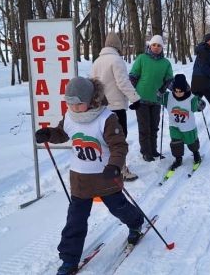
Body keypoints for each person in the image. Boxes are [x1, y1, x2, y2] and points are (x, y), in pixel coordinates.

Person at [34, 77, 144, 275]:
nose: (74, 108)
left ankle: (136, 223)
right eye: (71, 104)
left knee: (119, 207)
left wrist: (115, 165)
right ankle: (69, 259)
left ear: (91, 100)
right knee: (75, 220)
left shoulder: (106, 118)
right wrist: (48, 134)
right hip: (80, 180)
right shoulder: (69, 117)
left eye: (79, 104)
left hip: (105, 177)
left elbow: (119, 145)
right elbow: (62, 132)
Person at [91, 32, 140, 181]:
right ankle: (121, 169)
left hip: (100, 108)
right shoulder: (116, 60)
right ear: (117, 46)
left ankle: (105, 167)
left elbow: (93, 84)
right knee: (119, 140)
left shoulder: (97, 61)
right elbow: (123, 83)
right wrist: (135, 99)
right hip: (116, 107)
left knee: (105, 139)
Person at [129, 35, 174, 162]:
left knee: (154, 126)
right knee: (144, 127)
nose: (156, 47)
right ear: (150, 46)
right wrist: (131, 95)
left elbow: (169, 80)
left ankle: (153, 150)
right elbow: (133, 76)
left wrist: (180, 90)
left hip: (156, 99)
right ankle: (145, 151)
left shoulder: (165, 63)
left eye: (159, 45)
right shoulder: (142, 58)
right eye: (154, 45)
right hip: (141, 98)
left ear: (162, 47)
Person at [160, 74, 206, 170]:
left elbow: (199, 106)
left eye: (180, 91)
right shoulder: (168, 97)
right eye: (176, 91)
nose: (178, 93)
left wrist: (200, 104)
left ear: (185, 89)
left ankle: (196, 153)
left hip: (188, 127)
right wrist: (160, 92)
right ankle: (178, 159)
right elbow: (158, 98)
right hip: (174, 126)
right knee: (175, 143)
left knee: (192, 142)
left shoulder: (191, 98)